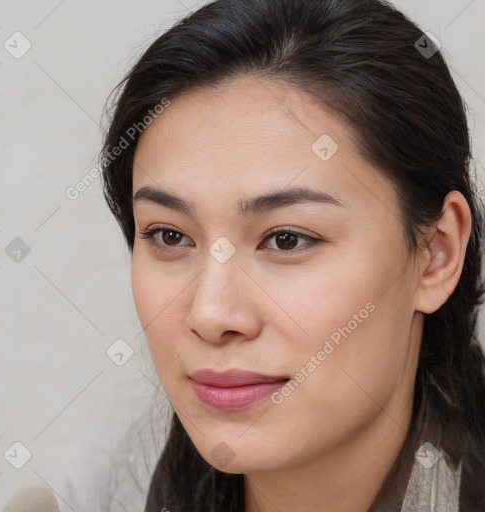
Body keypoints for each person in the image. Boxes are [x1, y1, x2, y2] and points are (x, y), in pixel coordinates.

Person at [99, 0, 485, 510]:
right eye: (170, 236)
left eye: (286, 239)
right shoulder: (89, 491)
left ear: (437, 253)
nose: (210, 315)